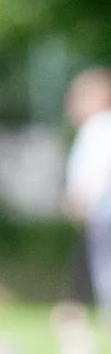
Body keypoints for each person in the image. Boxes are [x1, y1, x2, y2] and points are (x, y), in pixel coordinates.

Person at [62, 68, 111, 312]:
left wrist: (79, 203)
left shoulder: (97, 128)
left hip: (103, 213)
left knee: (105, 270)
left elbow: (94, 173)